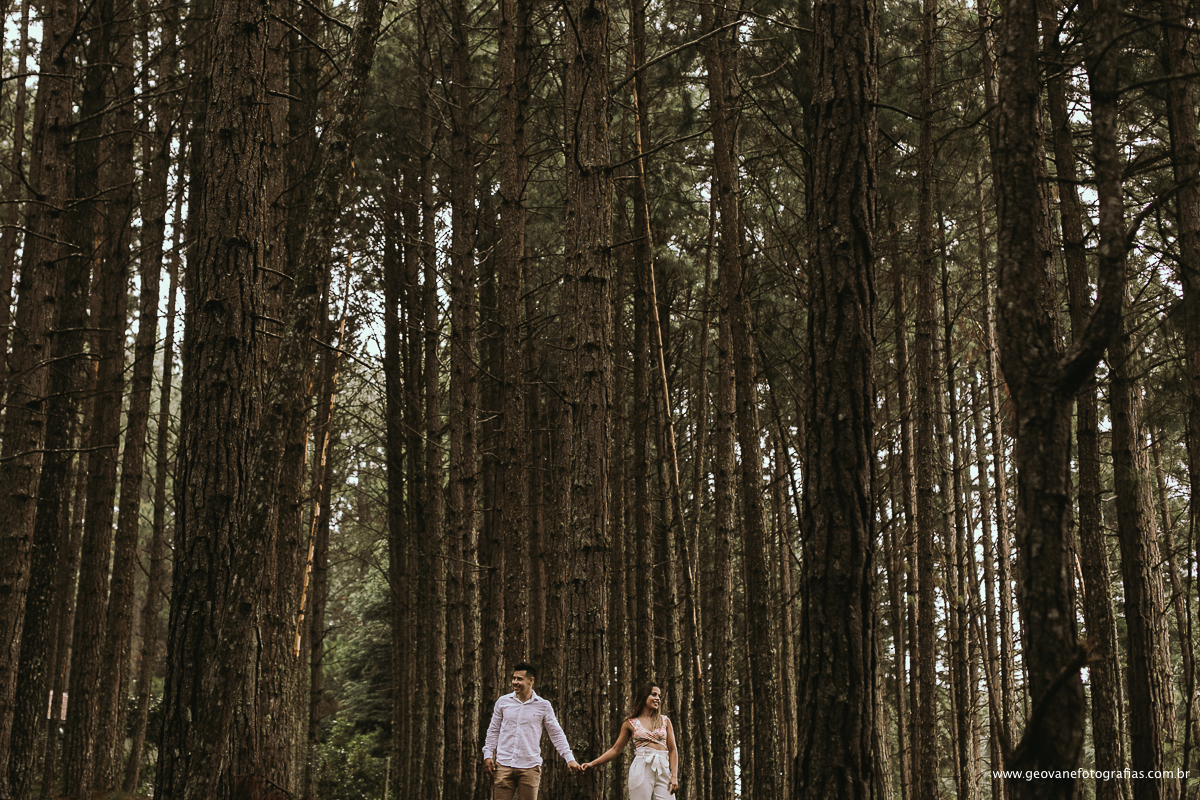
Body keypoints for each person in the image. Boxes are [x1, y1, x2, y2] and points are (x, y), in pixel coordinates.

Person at [483, 662, 583, 800]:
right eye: (514, 678)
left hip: (529, 767)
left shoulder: (543, 706)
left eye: (519, 679)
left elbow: (556, 733)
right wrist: (488, 754)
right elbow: (493, 729)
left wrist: (569, 758)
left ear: (531, 681)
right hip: (503, 765)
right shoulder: (503, 702)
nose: (515, 682)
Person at [581, 683, 679, 799]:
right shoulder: (630, 723)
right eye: (654, 694)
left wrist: (674, 776)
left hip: (663, 768)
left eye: (659, 696)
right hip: (642, 767)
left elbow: (673, 750)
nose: (658, 698)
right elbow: (615, 750)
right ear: (644, 696)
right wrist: (592, 764)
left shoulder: (665, 721)